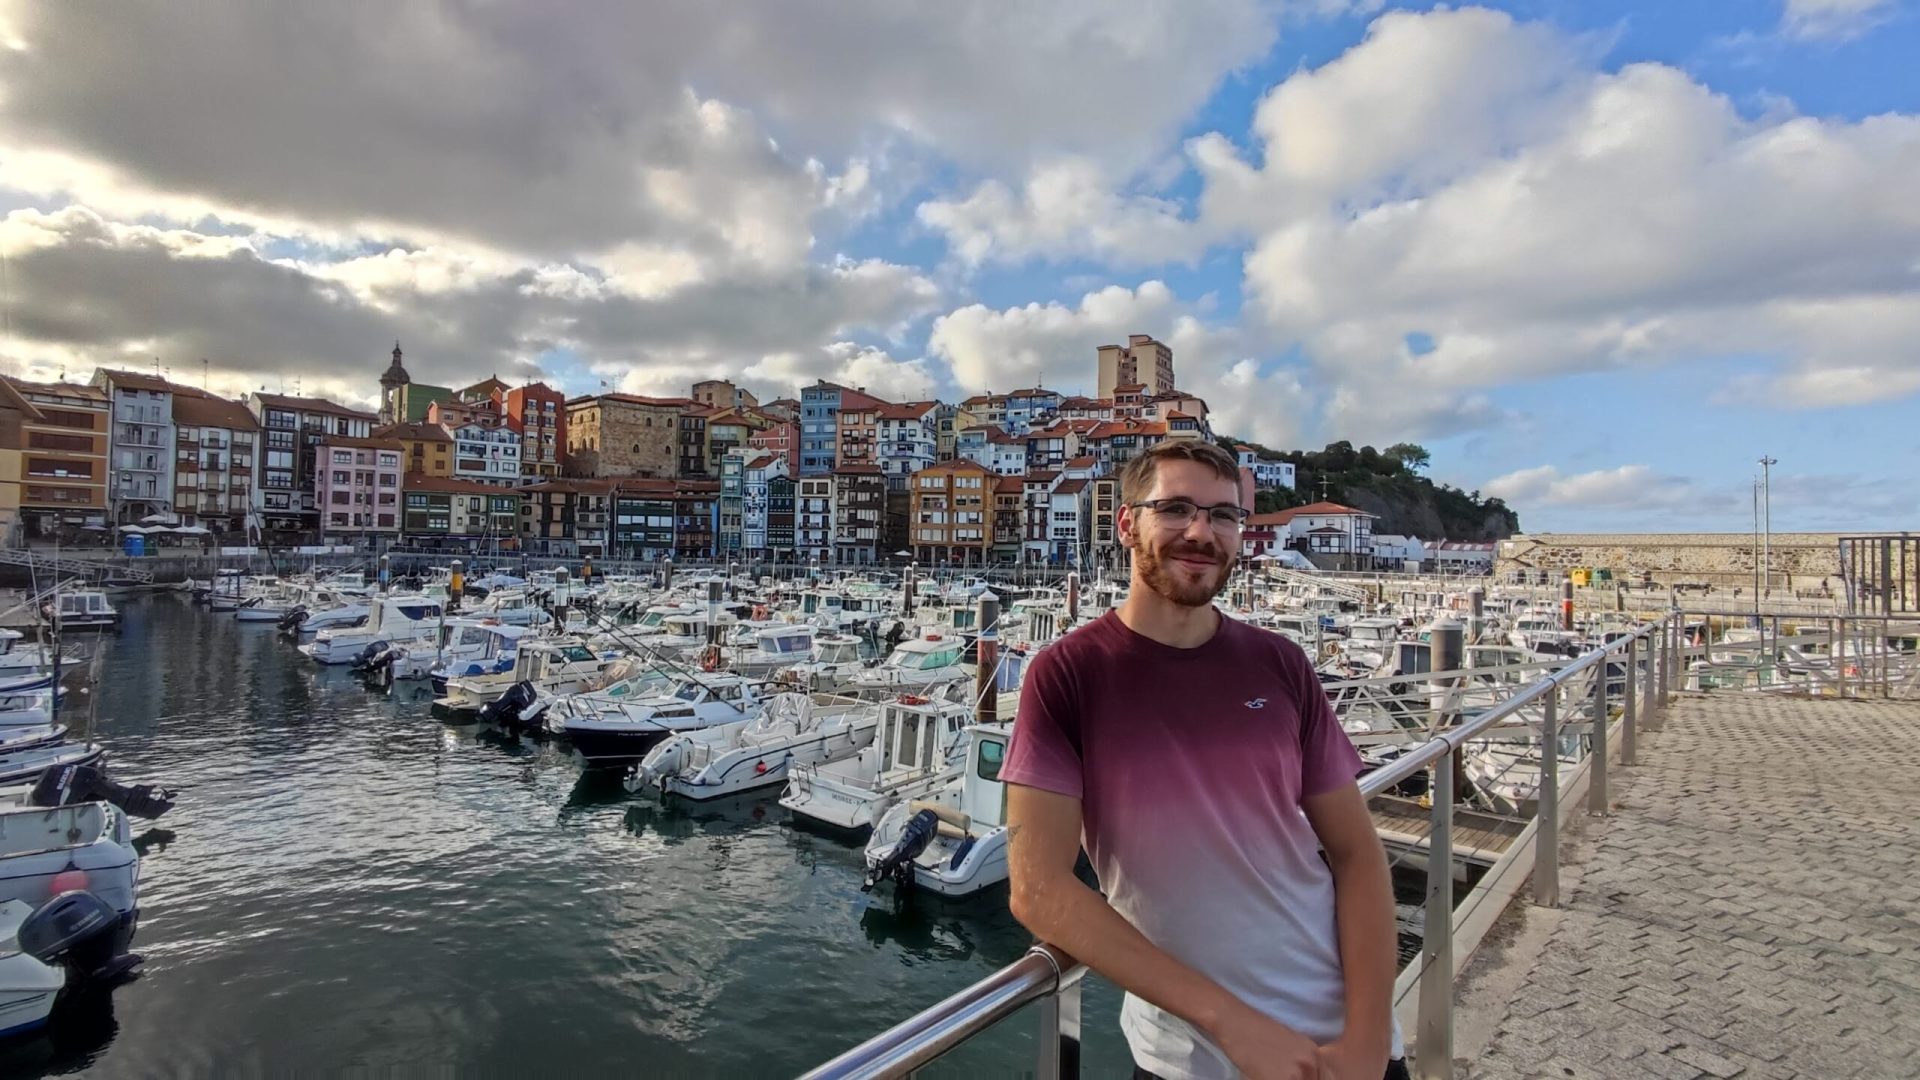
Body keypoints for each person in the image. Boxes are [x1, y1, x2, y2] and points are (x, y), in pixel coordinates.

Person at [1002, 439, 1405, 1080]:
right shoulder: (1068, 675)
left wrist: (1366, 1039)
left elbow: (1357, 855)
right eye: (1177, 509)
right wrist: (1229, 1021)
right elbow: (1038, 889)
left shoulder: (1281, 664)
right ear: (1126, 522)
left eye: (1223, 515)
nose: (1201, 532)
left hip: (1344, 1050)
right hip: (1188, 1061)